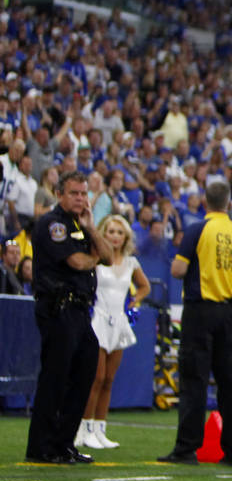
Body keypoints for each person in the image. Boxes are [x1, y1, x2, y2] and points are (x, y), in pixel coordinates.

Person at [157, 179, 232, 467]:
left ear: (205, 202)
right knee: (230, 384)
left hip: (199, 311)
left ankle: (187, 448)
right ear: (229, 204)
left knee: (194, 381)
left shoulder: (198, 228)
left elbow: (178, 269)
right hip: (229, 313)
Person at [24, 171, 114, 464]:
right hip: (58, 307)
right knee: (56, 377)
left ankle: (64, 443)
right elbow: (77, 262)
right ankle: (42, 447)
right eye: (74, 193)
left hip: (79, 311)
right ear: (60, 194)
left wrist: (91, 229)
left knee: (84, 373)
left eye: (84, 193)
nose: (80, 199)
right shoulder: (53, 224)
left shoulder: (81, 224)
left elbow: (110, 256)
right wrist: (95, 256)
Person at [76, 214, 150, 449]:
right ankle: (83, 429)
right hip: (97, 319)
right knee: (94, 378)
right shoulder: (96, 258)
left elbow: (145, 286)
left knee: (108, 379)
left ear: (126, 236)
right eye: (111, 231)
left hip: (118, 321)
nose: (115, 236)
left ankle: (100, 429)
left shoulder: (131, 263)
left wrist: (134, 300)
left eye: (120, 232)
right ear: (103, 233)